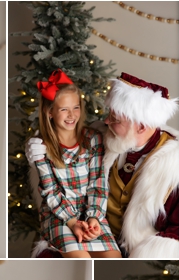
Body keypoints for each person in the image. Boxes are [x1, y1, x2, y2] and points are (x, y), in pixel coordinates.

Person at [28, 72, 179, 258]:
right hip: (68, 218)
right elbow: (51, 184)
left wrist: (93, 218)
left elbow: (177, 230)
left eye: (115, 119)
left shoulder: (172, 165)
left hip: (131, 242)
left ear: (141, 127)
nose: (106, 121)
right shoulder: (103, 137)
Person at [33, 69, 121, 258]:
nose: (71, 115)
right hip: (60, 216)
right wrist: (72, 222)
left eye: (76, 107)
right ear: (50, 112)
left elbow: (98, 183)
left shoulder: (93, 139)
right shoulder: (42, 147)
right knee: (82, 259)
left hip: (89, 211)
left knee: (113, 257)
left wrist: (94, 217)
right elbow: (50, 191)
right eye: (64, 109)